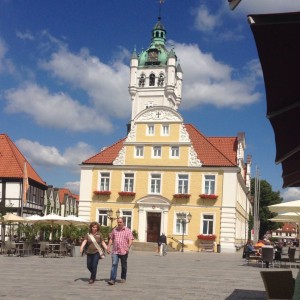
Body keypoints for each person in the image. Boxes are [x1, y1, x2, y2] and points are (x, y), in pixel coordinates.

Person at [107, 217, 134, 285]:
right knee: (114, 264)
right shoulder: (114, 230)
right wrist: (108, 247)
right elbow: (111, 239)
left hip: (124, 251)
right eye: (118, 222)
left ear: (123, 222)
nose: (119, 223)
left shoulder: (127, 230)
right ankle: (112, 279)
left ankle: (123, 277)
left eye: (120, 222)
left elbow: (131, 239)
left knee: (123, 265)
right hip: (115, 250)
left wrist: (128, 246)